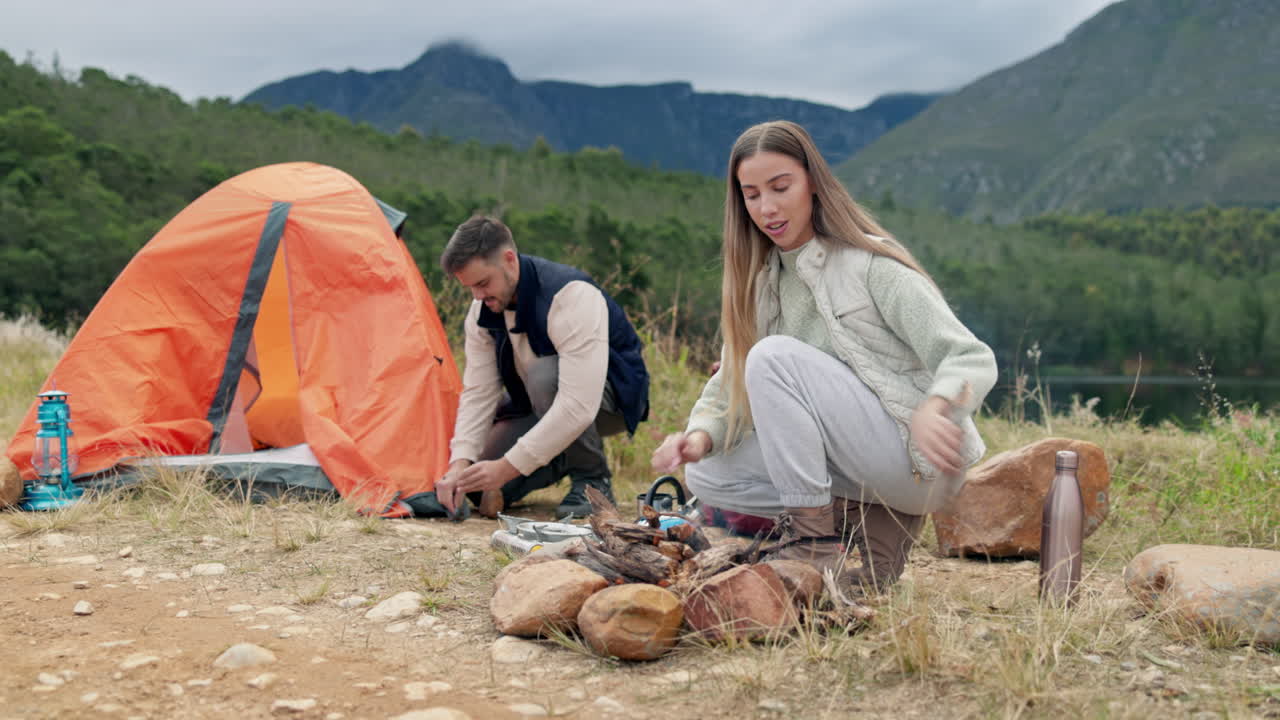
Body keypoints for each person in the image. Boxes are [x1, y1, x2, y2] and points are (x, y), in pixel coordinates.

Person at [651, 121, 997, 592]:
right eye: (751, 195)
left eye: (780, 187)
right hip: (858, 469)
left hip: (914, 460)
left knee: (772, 357)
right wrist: (699, 437)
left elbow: (969, 355)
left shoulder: (869, 263)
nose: (767, 207)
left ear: (811, 182)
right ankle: (877, 529)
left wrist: (935, 407)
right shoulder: (762, 283)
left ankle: (813, 546)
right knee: (710, 473)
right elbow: (729, 385)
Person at [435, 216, 649, 518]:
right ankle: (559, 455)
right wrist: (460, 465)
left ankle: (592, 479)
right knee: (477, 484)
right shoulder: (482, 310)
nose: (477, 296)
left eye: (483, 283)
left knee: (544, 376)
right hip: (537, 405)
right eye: (469, 287)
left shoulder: (570, 295)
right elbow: (479, 393)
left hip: (609, 402)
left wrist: (507, 467)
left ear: (509, 260)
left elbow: (578, 406)